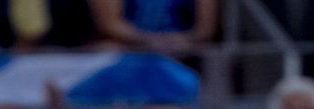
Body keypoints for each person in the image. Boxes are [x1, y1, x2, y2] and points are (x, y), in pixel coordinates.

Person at [89, 0, 219, 47]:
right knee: (107, 49)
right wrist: (150, 41)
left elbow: (204, 30)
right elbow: (110, 25)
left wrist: (183, 40)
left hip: (183, 47)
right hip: (128, 47)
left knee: (213, 56)